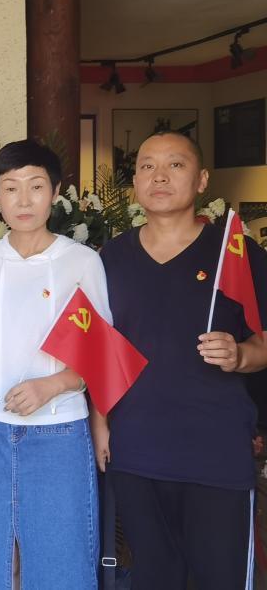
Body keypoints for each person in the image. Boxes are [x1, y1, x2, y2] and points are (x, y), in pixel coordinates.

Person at [96, 131, 267, 589]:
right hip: (137, 449)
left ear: (202, 180)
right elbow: (98, 350)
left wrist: (240, 354)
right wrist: (100, 423)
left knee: (221, 577)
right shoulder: (111, 258)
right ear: (135, 182)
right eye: (147, 166)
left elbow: (263, 342)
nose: (160, 176)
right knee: (154, 576)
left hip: (215, 450)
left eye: (175, 165)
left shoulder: (235, 253)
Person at [0, 140, 106, 589]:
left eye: (36, 186)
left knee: (61, 557)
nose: (24, 200)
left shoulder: (82, 262)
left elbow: (101, 354)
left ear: (55, 192)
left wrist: (51, 385)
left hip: (58, 433)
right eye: (11, 188)